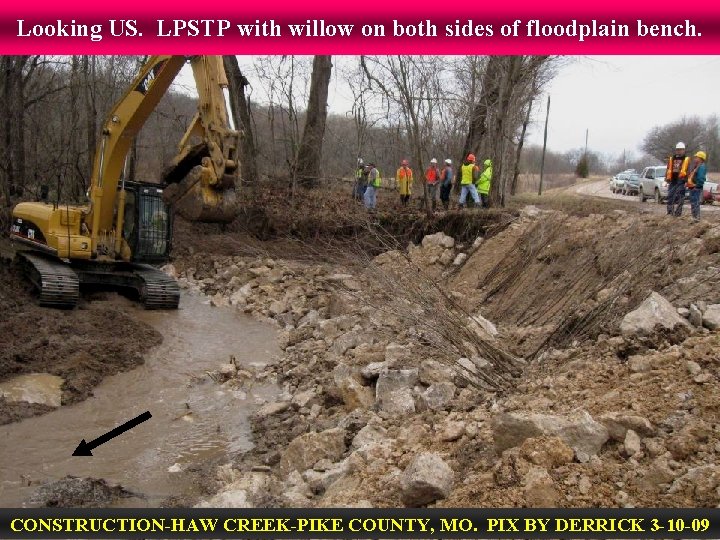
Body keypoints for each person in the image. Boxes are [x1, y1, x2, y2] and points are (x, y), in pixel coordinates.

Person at [666, 141, 690, 217]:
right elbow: (668, 169)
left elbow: (688, 171)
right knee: (670, 196)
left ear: (684, 150)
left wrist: (686, 181)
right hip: (673, 180)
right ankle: (670, 212)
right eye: (678, 149)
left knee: (680, 197)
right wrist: (666, 178)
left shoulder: (686, 159)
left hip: (681, 181)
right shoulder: (671, 159)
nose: (679, 151)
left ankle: (678, 213)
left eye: (681, 149)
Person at [686, 150, 707, 221]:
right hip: (693, 187)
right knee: (693, 202)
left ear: (700, 159)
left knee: (695, 203)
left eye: (696, 157)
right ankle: (694, 217)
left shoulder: (701, 167)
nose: (695, 159)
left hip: (696, 188)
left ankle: (696, 218)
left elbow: (701, 178)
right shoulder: (697, 166)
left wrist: (697, 186)